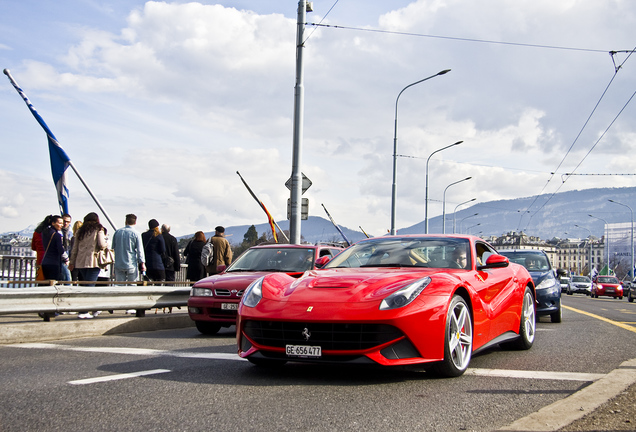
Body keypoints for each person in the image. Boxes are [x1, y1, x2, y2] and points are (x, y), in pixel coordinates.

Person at [69, 212, 108, 318]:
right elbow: (101, 244)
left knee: (84, 286)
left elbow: (74, 249)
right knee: (90, 286)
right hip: (93, 261)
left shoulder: (80, 231)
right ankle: (84, 311)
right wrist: (106, 242)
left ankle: (90, 309)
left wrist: (72, 262)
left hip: (80, 261)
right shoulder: (99, 229)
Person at [112, 214, 146, 282]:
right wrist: (142, 263)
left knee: (119, 285)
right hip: (131, 263)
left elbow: (113, 248)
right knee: (132, 286)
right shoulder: (136, 233)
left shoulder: (117, 232)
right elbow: (140, 250)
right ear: (135, 222)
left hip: (119, 263)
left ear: (126, 221)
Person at [40, 215, 67, 281]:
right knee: (54, 282)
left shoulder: (44, 233)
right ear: (53, 223)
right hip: (54, 263)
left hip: (45, 262)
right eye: (60, 223)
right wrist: (66, 258)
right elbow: (60, 250)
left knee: (47, 282)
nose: (62, 225)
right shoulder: (56, 235)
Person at [60, 214, 72, 282]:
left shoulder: (70, 232)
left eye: (67, 222)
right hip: (62, 257)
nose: (65, 223)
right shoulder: (59, 232)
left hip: (67, 256)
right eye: (64, 221)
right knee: (67, 278)